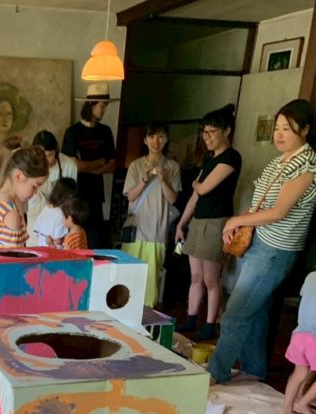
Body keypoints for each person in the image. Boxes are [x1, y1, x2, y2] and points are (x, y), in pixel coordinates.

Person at [208, 99, 316, 386]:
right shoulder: (280, 160)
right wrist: (240, 224)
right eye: (277, 128)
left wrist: (235, 220)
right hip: (258, 242)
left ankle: (216, 372)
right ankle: (254, 370)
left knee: (235, 315)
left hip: (275, 250)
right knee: (254, 312)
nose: (279, 134)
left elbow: (279, 212)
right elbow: (259, 204)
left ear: (305, 129)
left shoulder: (306, 165)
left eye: (287, 129)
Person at [176, 105, 242, 341]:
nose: (207, 137)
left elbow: (202, 188)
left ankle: (210, 324)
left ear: (227, 131)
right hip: (198, 221)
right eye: (204, 132)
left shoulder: (231, 157)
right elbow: (195, 197)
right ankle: (191, 318)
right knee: (195, 277)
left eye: (212, 131)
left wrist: (195, 183)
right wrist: (181, 223)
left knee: (211, 280)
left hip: (216, 223)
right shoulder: (210, 160)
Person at [121, 121, 181, 307]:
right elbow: (130, 196)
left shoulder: (173, 167)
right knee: (128, 277)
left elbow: (172, 199)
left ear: (166, 139)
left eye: (161, 136)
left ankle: (146, 318)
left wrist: (163, 181)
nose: (156, 141)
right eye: (152, 136)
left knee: (150, 281)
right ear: (145, 140)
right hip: (135, 231)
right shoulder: (136, 165)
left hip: (157, 231)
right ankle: (124, 311)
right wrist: (144, 180)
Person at [62, 82, 117, 249]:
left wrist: (86, 166)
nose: (104, 110)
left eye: (106, 106)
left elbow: (112, 166)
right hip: (76, 195)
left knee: (95, 242)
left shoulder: (106, 131)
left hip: (96, 196)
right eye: (102, 105)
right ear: (91, 104)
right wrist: (100, 162)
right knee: (76, 242)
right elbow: (75, 167)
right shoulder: (72, 132)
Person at [0, 146, 48, 249]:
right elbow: (12, 259)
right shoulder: (11, 216)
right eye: (35, 186)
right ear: (19, 176)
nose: (35, 193)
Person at [26, 130, 77, 245]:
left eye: (49, 155)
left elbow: (72, 198)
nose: (45, 160)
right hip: (35, 217)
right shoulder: (31, 165)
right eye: (41, 156)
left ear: (56, 150)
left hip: (59, 220)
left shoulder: (69, 165)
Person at [282, 271, 316, 414]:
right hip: (315, 338)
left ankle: (287, 409)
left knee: (299, 373)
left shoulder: (311, 276)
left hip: (299, 333)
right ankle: (302, 403)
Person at [32, 176, 78, 247]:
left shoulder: (46, 208)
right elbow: (59, 242)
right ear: (68, 197)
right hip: (54, 251)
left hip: (41, 249)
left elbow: (35, 231)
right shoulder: (62, 215)